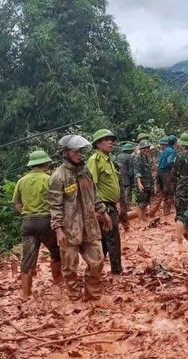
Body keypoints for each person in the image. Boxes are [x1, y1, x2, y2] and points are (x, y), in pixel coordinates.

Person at [49, 135, 111, 301]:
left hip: (90, 226)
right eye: (75, 151)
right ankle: (75, 297)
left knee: (97, 261)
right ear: (66, 152)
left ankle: (93, 295)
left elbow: (94, 194)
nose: (79, 154)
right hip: (69, 230)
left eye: (81, 151)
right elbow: (55, 206)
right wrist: (58, 230)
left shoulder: (85, 171)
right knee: (69, 267)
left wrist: (103, 212)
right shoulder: (58, 177)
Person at [13, 149, 61, 299]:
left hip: (28, 223)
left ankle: (26, 295)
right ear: (46, 163)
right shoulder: (49, 179)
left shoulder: (21, 181)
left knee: (27, 260)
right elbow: (57, 202)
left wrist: (28, 216)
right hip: (46, 221)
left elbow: (17, 205)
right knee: (56, 252)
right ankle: (58, 282)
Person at [86, 129, 123, 275]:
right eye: (106, 140)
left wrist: (117, 201)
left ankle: (96, 270)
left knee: (106, 241)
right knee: (113, 239)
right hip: (103, 206)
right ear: (98, 144)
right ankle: (116, 272)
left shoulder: (109, 160)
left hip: (111, 204)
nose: (110, 142)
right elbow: (90, 186)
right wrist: (97, 210)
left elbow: (112, 184)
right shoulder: (94, 161)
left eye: (111, 139)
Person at [131, 140, 155, 220]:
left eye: (147, 148)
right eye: (144, 148)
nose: (146, 150)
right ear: (141, 149)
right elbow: (137, 172)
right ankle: (140, 220)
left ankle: (143, 218)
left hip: (148, 183)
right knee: (141, 203)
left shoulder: (147, 157)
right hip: (142, 183)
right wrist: (139, 183)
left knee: (145, 202)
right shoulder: (138, 158)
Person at [156, 135, 178, 216]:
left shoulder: (164, 150)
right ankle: (166, 213)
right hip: (166, 172)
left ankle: (152, 211)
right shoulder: (172, 151)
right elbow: (169, 162)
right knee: (168, 193)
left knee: (161, 192)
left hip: (160, 171)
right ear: (175, 142)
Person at [115, 142, 136, 226]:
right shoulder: (129, 157)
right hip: (126, 178)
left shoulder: (118, 156)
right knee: (127, 193)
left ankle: (121, 209)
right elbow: (131, 170)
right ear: (130, 150)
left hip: (119, 178)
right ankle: (127, 208)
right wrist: (132, 178)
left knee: (120, 195)